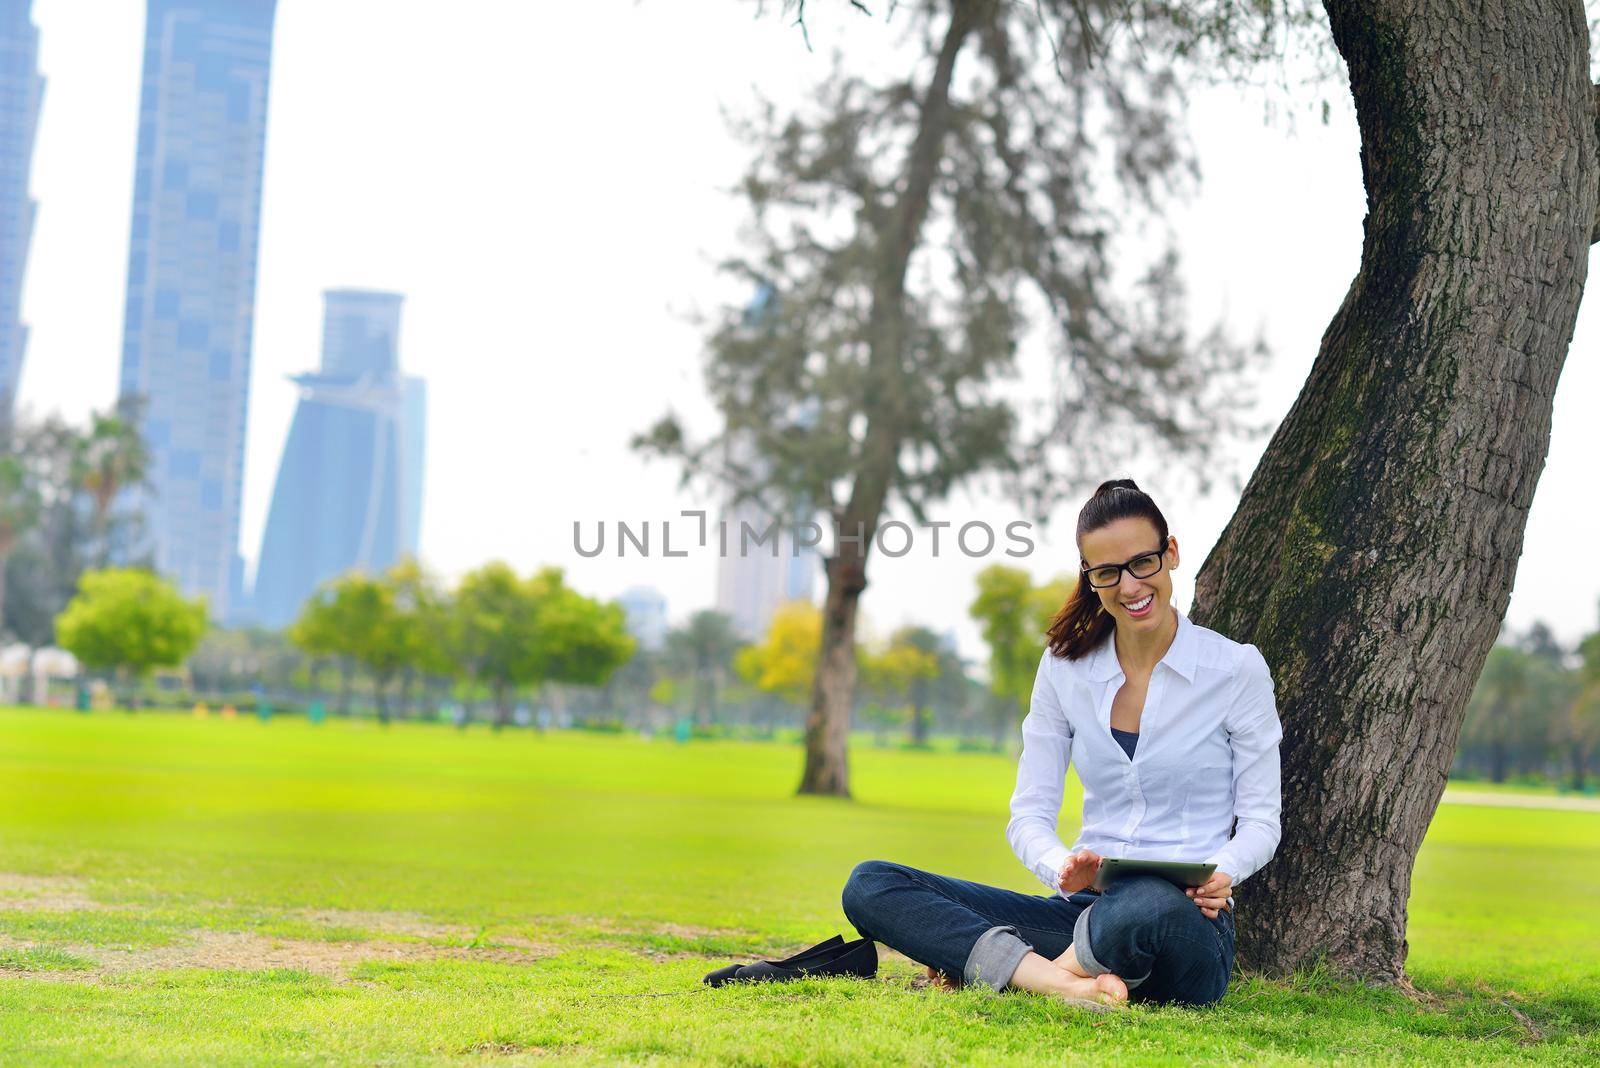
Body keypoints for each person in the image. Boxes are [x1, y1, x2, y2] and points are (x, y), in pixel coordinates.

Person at [840, 478, 1283, 1008]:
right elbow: (1028, 815)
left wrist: (1223, 872)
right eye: (1107, 572)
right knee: (872, 884)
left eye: (1142, 562)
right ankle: (1063, 985)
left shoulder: (1235, 669)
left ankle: (1022, 973)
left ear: (1171, 554)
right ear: (1090, 577)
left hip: (1186, 924)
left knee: (1147, 902)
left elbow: (1262, 820)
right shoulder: (1064, 668)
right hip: (1084, 914)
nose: (1129, 586)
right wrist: (1064, 869)